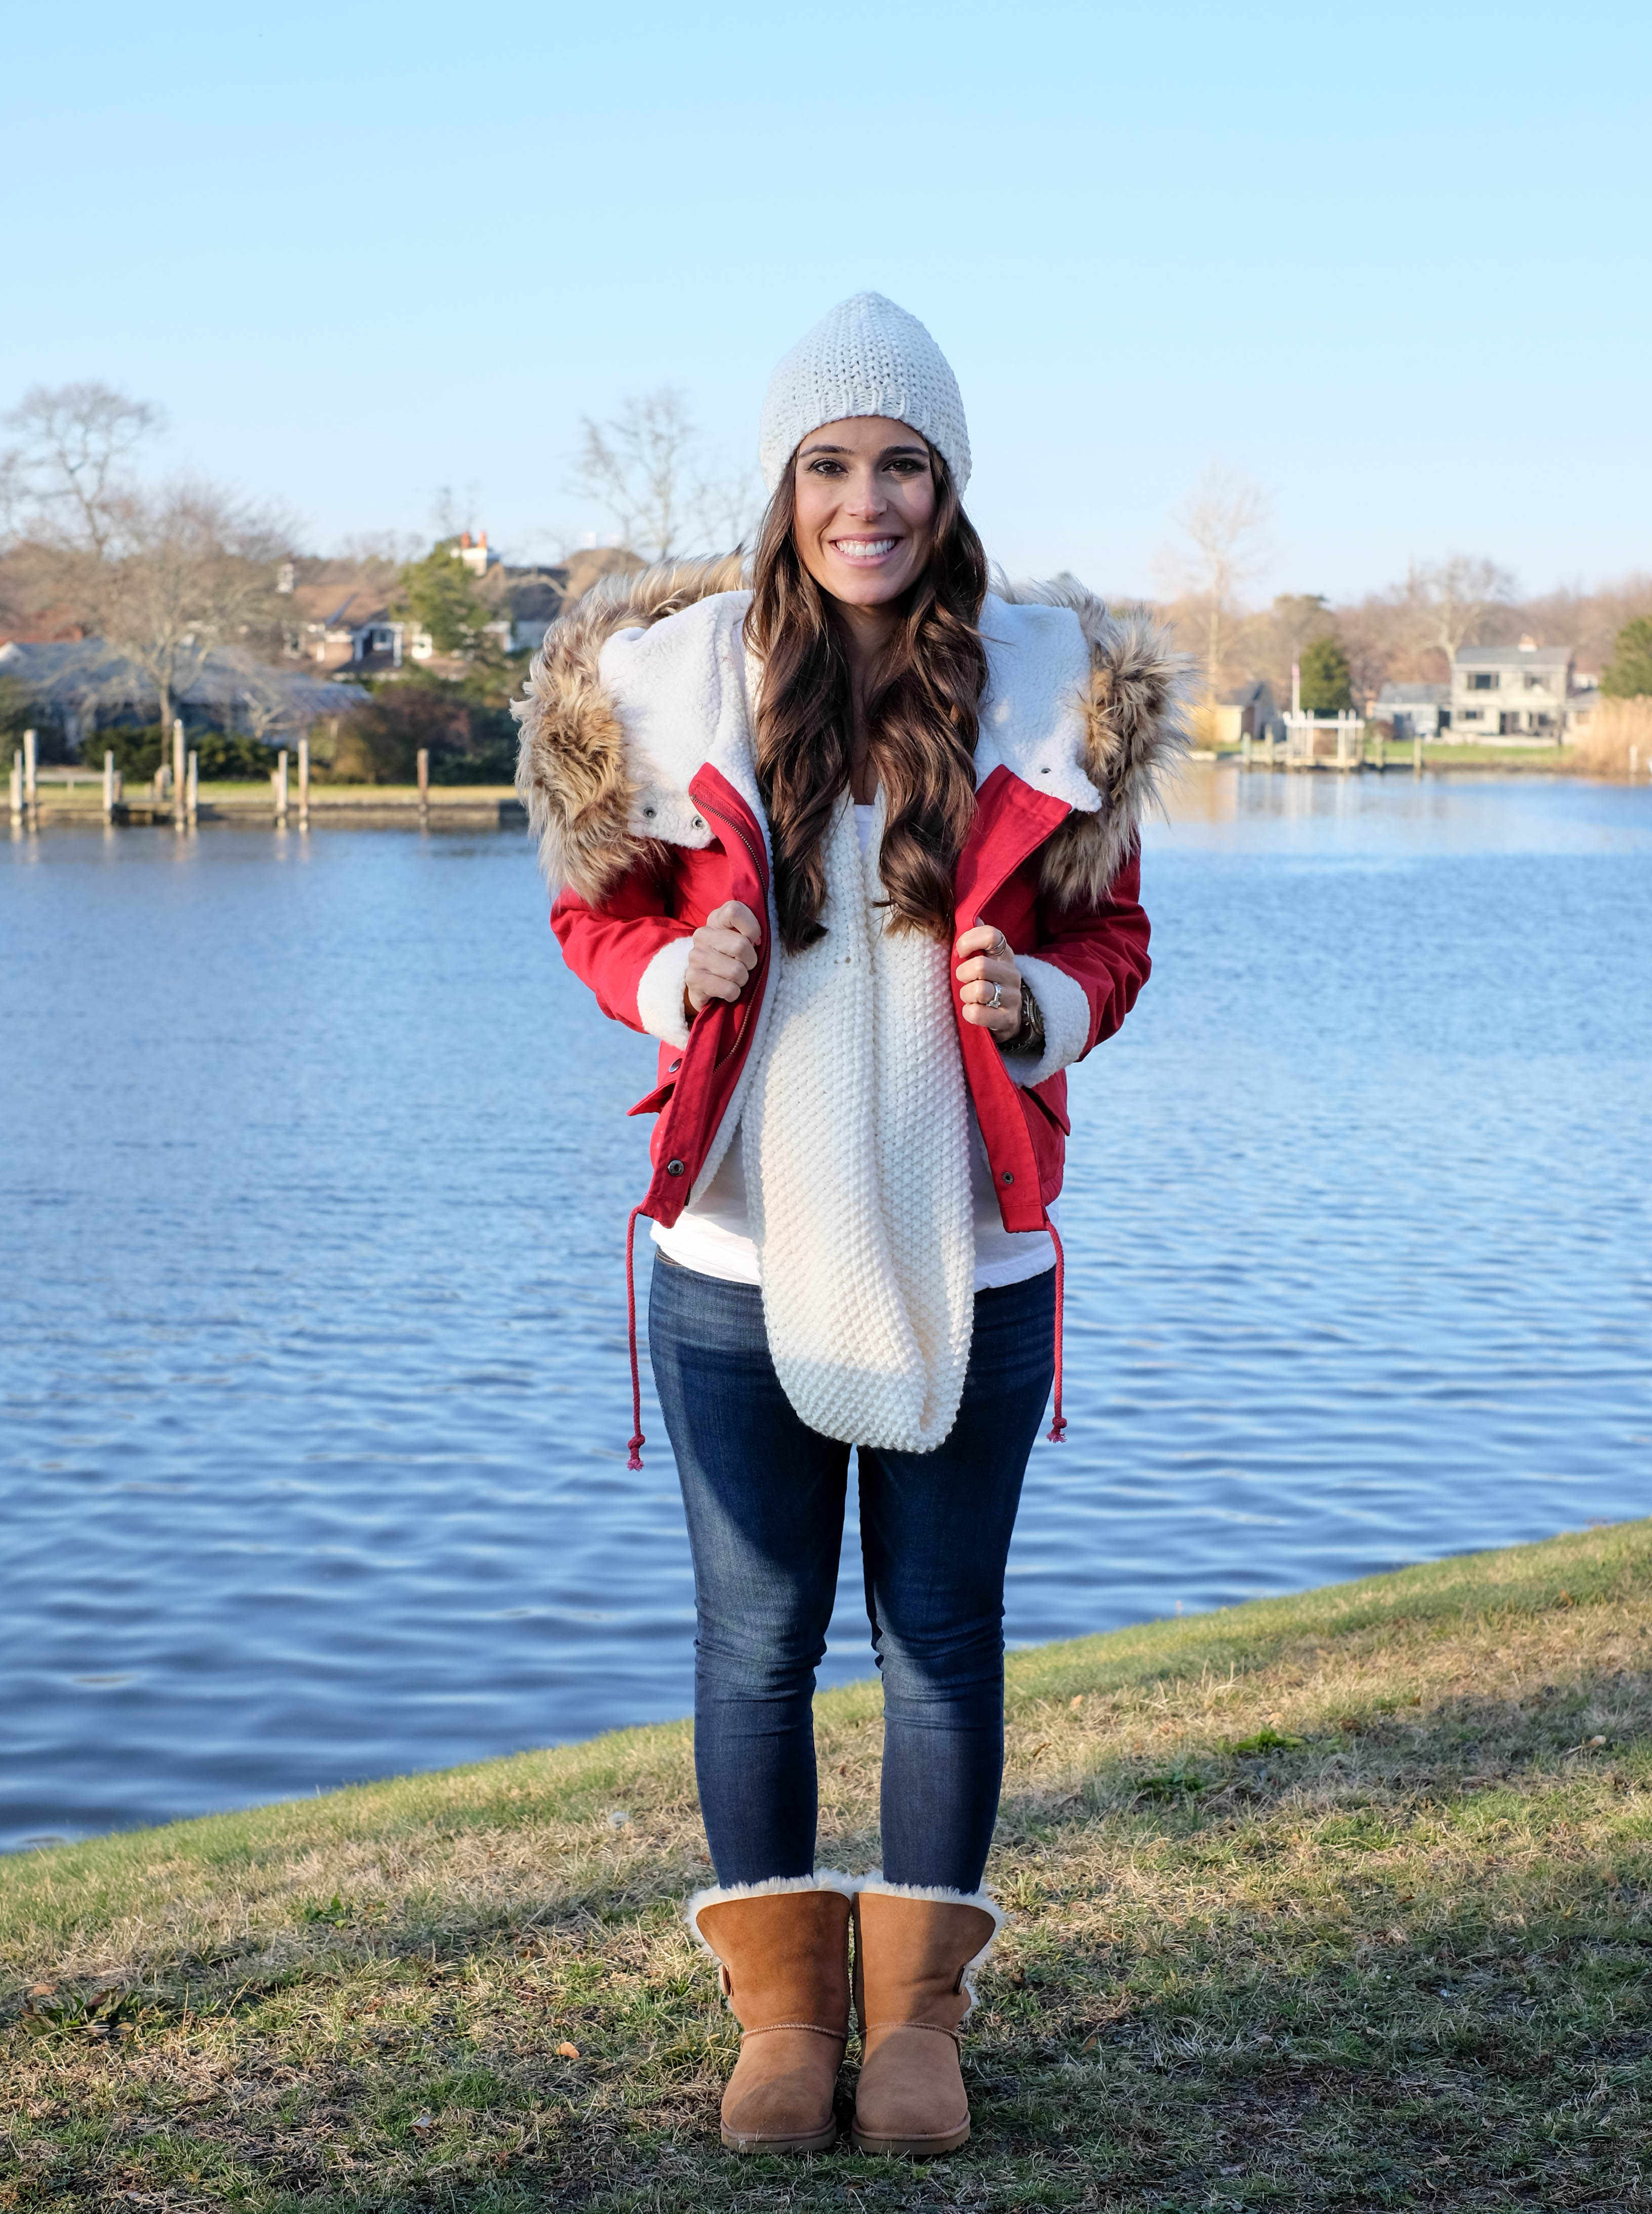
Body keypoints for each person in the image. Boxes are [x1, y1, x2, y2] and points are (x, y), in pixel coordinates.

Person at [516, 293, 1185, 2158]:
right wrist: (671, 973)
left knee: (942, 1640)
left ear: (949, 485)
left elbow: (1118, 941)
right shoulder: (676, 690)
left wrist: (1035, 1000)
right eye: (830, 464)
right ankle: (782, 2024)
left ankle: (916, 2028)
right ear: (783, 485)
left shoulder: (1054, 694)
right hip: (734, 1257)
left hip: (974, 1252)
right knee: (754, 1637)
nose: (865, 499)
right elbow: (590, 916)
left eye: (902, 464)